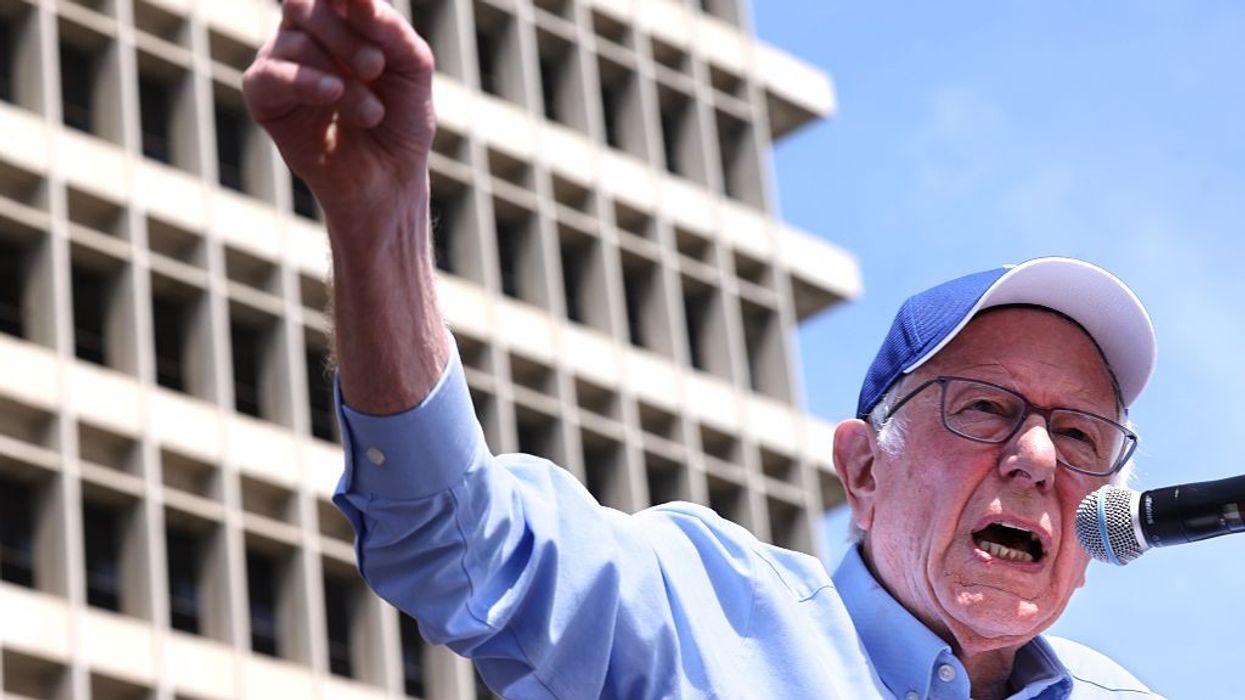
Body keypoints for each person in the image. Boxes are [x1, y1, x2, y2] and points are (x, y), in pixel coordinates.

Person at [243, 2, 1166, 697]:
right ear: (860, 470)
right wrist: (382, 224)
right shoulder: (697, 609)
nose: (1038, 457)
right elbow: (453, 541)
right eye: (985, 408)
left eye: (1080, 435)